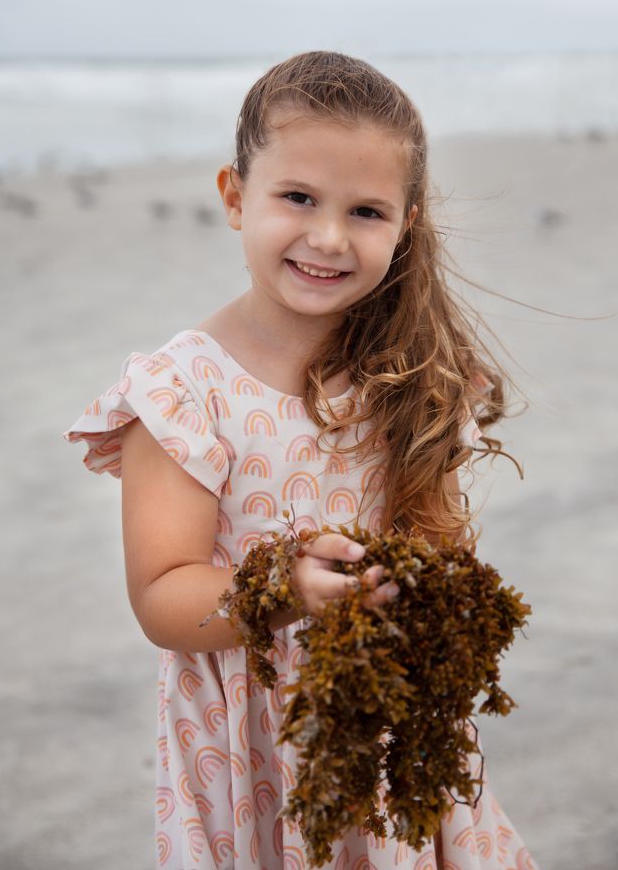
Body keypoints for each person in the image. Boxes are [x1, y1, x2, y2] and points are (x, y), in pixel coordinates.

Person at [63, 51, 538, 870]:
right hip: (251, 740)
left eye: (366, 211)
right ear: (235, 196)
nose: (327, 236)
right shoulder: (183, 392)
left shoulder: (413, 371)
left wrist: (426, 587)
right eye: (297, 198)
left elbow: (442, 540)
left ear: (407, 223)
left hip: (388, 718)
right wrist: (286, 588)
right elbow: (162, 594)